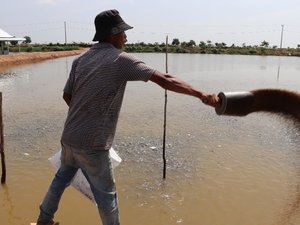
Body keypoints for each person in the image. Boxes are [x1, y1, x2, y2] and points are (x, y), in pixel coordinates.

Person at [35, 9, 219, 225]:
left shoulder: (81, 59)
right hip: (93, 144)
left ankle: (43, 220)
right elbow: (164, 79)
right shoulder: (120, 60)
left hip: (69, 137)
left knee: (60, 179)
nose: (126, 37)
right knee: (107, 197)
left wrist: (84, 116)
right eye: (123, 32)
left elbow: (67, 96)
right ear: (113, 34)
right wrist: (201, 94)